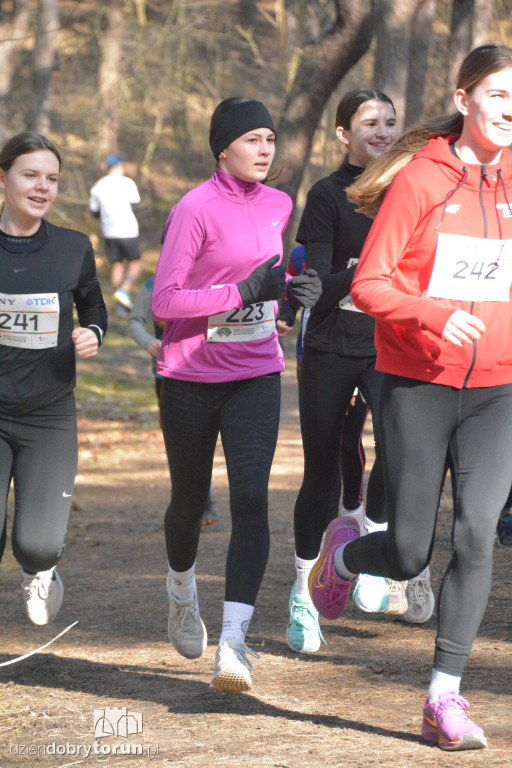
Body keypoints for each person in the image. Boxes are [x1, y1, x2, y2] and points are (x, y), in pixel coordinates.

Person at [309, 43, 512, 750]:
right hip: (418, 382)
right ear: (464, 100)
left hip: (498, 388)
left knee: (477, 533)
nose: (511, 109)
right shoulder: (422, 179)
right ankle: (343, 558)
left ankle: (442, 697)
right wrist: (430, 313)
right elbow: (369, 284)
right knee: (407, 554)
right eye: (498, 94)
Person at [151, 97, 321, 693]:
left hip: (256, 371)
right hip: (191, 375)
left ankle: (233, 643)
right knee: (189, 501)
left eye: (270, 138)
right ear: (222, 148)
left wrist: (293, 294)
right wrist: (242, 291)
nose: (265, 149)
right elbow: (165, 301)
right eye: (252, 139)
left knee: (251, 499)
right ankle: (181, 590)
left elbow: (267, 282)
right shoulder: (194, 208)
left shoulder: (279, 204)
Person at [286, 88, 434, 656]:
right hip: (329, 345)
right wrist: (375, 266)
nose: (383, 131)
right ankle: (304, 589)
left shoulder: (411, 188)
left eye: (390, 122)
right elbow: (321, 289)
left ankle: (370, 545)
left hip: (390, 342)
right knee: (321, 473)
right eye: (369, 122)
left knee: (398, 452)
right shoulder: (327, 195)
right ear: (344, 133)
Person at [0, 132, 107, 626]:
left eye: (52, 178)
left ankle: (41, 569)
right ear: (3, 179)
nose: (42, 187)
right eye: (30, 175)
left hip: (48, 413)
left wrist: (93, 334)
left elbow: (94, 306)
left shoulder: (72, 246)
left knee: (37, 544)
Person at [128, 276, 220, 524]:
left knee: (202, 436)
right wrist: (149, 342)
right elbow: (135, 321)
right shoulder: (151, 285)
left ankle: (205, 499)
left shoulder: (209, 276)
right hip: (166, 375)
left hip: (205, 371)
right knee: (179, 439)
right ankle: (187, 498)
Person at [89, 154, 143, 312]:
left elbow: (95, 213)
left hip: (109, 231)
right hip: (128, 230)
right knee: (136, 264)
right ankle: (124, 291)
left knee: (117, 265)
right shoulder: (127, 183)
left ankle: (120, 308)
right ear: (118, 166)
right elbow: (136, 205)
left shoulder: (97, 186)